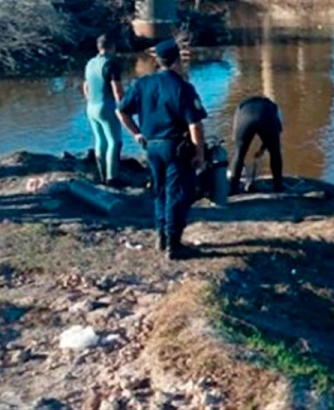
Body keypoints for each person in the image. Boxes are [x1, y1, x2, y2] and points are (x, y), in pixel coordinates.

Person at [116, 39, 207, 260]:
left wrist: (137, 133)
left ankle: (161, 237)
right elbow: (195, 124)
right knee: (177, 193)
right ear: (177, 59)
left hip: (151, 146)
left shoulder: (142, 84)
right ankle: (174, 244)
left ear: (157, 60)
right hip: (175, 147)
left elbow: (122, 111)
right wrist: (199, 153)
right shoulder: (183, 88)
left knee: (159, 190)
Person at [82, 34, 124, 186]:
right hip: (107, 107)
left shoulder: (90, 63)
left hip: (91, 106)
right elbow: (117, 91)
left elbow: (85, 86)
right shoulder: (111, 64)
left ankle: (101, 174)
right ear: (112, 47)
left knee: (100, 140)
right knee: (114, 141)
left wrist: (90, 101)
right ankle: (112, 177)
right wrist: (124, 107)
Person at [229, 95, 284, 195]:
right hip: (265, 116)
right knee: (275, 152)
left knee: (239, 154)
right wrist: (264, 148)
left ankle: (233, 189)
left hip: (244, 117)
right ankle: (278, 186)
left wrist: (240, 146)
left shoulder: (241, 106)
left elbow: (235, 133)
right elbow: (277, 131)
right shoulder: (273, 107)